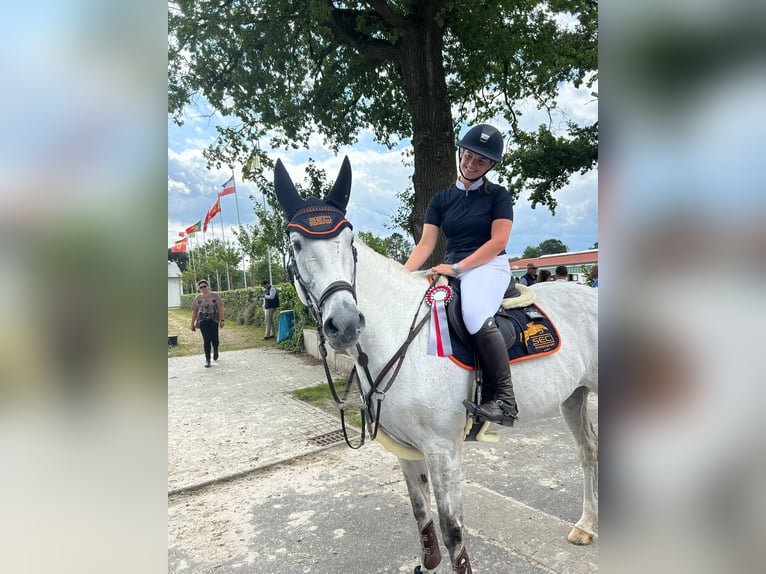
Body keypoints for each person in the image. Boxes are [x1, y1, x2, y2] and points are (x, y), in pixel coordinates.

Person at [404, 124, 517, 426]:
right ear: (460, 153)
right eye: (467, 155)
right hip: (451, 267)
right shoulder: (440, 200)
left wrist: (458, 268)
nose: (471, 163)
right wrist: (401, 275)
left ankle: (505, 400)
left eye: (480, 161)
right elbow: (426, 245)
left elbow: (498, 242)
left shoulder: (498, 196)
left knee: (474, 313)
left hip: (488, 265)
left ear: (490, 165)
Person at [190, 280, 224, 368]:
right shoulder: (197, 298)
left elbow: (220, 308)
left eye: (204, 286)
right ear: (198, 288)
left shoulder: (215, 296)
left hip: (214, 320)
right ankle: (207, 359)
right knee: (206, 340)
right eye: (201, 287)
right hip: (202, 321)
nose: (203, 288)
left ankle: (215, 350)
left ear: (208, 286)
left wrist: (222, 320)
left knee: (215, 339)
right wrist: (192, 323)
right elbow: (194, 311)